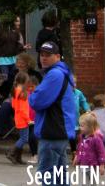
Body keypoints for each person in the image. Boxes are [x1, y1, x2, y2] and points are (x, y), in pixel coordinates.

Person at [28, 40, 77, 185]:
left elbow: (37, 101)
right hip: (59, 131)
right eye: (42, 54)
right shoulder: (62, 72)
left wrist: (32, 94)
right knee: (60, 177)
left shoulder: (54, 74)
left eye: (48, 55)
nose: (43, 58)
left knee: (47, 176)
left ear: (57, 56)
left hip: (52, 131)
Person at [6, 71, 37, 164]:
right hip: (23, 119)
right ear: (25, 81)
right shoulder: (23, 93)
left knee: (22, 137)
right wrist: (28, 120)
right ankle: (11, 153)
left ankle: (18, 158)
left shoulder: (15, 90)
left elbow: (14, 105)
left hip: (18, 117)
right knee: (24, 138)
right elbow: (23, 109)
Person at [0, 16, 25, 84]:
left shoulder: (15, 32)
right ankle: (2, 92)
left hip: (13, 60)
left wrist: (23, 47)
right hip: (2, 61)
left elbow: (16, 45)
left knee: (13, 79)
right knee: (4, 80)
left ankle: (11, 93)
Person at [72, 111, 105, 177]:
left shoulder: (96, 139)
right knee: (84, 182)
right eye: (80, 125)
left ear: (90, 127)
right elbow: (79, 149)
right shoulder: (82, 137)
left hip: (92, 165)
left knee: (92, 182)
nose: (80, 128)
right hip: (82, 164)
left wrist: (102, 165)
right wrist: (76, 157)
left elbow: (101, 152)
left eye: (82, 126)